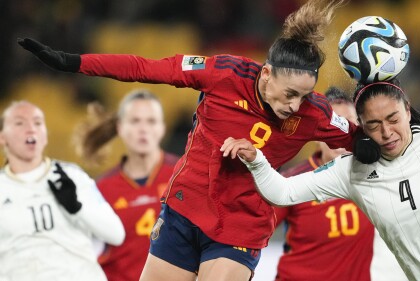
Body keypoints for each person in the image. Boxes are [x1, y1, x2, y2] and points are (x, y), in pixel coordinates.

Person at [17, 0, 357, 280]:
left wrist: (399, 122)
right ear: (266, 74)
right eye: (289, 94)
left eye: (304, 96)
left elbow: (369, 140)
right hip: (184, 211)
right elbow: (145, 68)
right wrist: (74, 63)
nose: (295, 105)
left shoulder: (316, 114)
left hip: (241, 227)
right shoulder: (223, 74)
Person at [225, 71, 420, 280]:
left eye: (393, 119)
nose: (387, 132)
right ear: (362, 129)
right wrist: (257, 160)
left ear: (407, 110)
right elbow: (281, 193)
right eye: (374, 125)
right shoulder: (351, 172)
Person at [274, 87, 407, 281]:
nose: (340, 135)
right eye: (332, 126)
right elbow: (252, 228)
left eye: (349, 126)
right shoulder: (294, 181)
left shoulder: (378, 175)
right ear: (317, 133)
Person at [0, 101, 125, 281]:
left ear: (45, 136)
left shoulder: (72, 177)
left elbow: (116, 234)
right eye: (20, 123)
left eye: (37, 123)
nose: (31, 129)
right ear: (2, 137)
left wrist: (77, 208)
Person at [74, 90, 179, 281]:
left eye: (151, 121)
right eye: (135, 121)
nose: (143, 129)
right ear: (120, 127)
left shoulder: (184, 175)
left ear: (163, 128)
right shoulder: (101, 190)